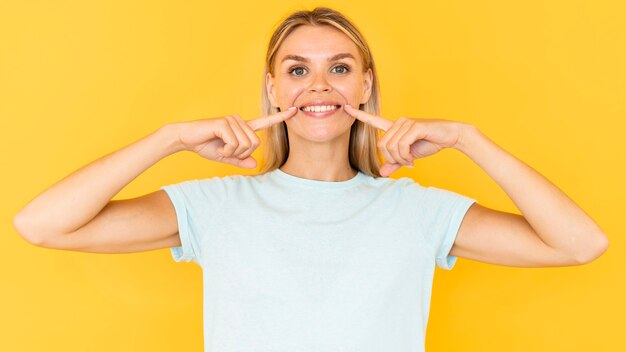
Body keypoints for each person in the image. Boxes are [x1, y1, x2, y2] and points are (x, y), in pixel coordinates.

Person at [13, 6, 608, 352]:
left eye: (340, 69)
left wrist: (468, 140)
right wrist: (169, 138)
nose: (318, 86)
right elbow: (40, 225)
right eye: (298, 70)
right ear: (273, 88)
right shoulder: (215, 205)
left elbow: (581, 244)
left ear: (365, 85)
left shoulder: (418, 211)